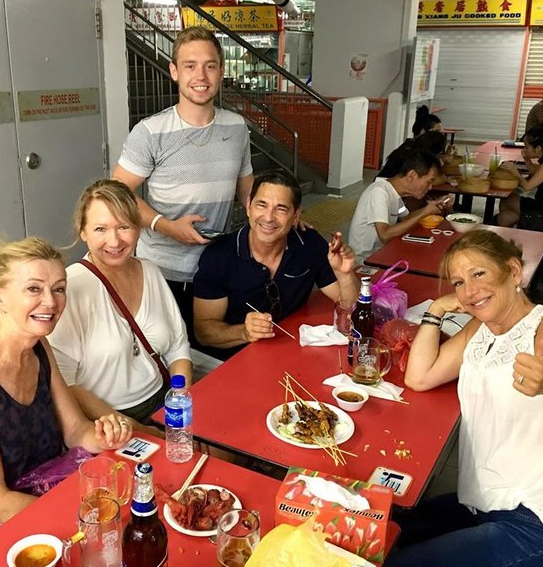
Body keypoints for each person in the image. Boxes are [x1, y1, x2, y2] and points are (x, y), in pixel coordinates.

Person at [384, 229, 543, 567]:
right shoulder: (482, 328)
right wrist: (435, 310)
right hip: (484, 502)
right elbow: (420, 377)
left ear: (513, 271)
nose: (469, 291)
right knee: (382, 530)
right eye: (458, 283)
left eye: (478, 274)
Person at [0, 238, 132, 567]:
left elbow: (75, 429)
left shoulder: (38, 346)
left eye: (59, 289)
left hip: (39, 496)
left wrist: (103, 436)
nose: (51, 301)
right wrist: (81, 517)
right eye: (34, 288)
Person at [112, 26, 254, 335]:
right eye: (190, 66)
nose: (200, 76)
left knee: (214, 356)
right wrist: (165, 225)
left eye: (210, 66)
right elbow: (117, 193)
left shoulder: (237, 127)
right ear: (174, 71)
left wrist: (277, 215)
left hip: (219, 268)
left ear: (220, 71)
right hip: (163, 271)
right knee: (166, 359)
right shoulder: (150, 132)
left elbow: (247, 186)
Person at [47, 180, 192, 427]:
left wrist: (180, 409)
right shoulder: (69, 288)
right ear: (82, 231)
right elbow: (65, 383)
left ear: (138, 228)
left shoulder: (150, 271)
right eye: (100, 229)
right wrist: (137, 430)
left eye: (124, 226)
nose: (114, 241)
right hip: (105, 422)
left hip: (163, 405)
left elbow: (177, 347)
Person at [192, 172, 359, 360]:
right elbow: (203, 331)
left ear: (296, 215)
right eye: (261, 205)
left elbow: (350, 308)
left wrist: (344, 274)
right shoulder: (219, 256)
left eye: (281, 209)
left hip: (289, 350)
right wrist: (243, 332)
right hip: (231, 360)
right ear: (248, 207)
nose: (269, 217)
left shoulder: (310, 245)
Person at [348, 150, 450, 262]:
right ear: (412, 175)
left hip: (381, 253)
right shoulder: (379, 192)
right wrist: (425, 212)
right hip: (364, 261)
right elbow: (385, 235)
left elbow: (406, 218)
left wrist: (432, 208)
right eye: (429, 181)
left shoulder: (394, 193)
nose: (430, 187)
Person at [496, 128, 543, 229]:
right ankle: (517, 225)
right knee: (504, 217)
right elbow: (535, 172)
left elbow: (527, 187)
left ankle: (524, 225)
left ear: (538, 149)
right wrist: (526, 158)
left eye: (526, 147)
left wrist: (514, 171)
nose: (524, 149)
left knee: (506, 202)